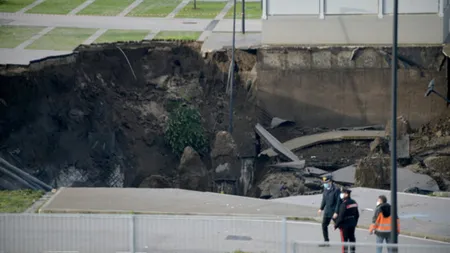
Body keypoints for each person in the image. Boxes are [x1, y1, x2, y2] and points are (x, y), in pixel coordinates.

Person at [318, 175, 341, 247]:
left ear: (330, 181)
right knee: (324, 225)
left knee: (341, 226)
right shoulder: (325, 189)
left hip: (334, 212)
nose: (325, 183)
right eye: (324, 182)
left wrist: (336, 212)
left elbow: (338, 202)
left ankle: (347, 241)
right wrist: (321, 208)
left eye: (327, 182)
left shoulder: (336, 190)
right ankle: (326, 242)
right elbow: (324, 200)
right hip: (327, 211)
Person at [334, 187, 359, 253]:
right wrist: (355, 223)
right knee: (352, 239)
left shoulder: (344, 204)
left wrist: (336, 225)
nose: (341, 194)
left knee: (344, 240)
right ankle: (353, 251)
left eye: (343, 193)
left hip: (345, 225)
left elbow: (341, 216)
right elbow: (357, 214)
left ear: (346, 194)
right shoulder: (354, 202)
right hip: (352, 224)